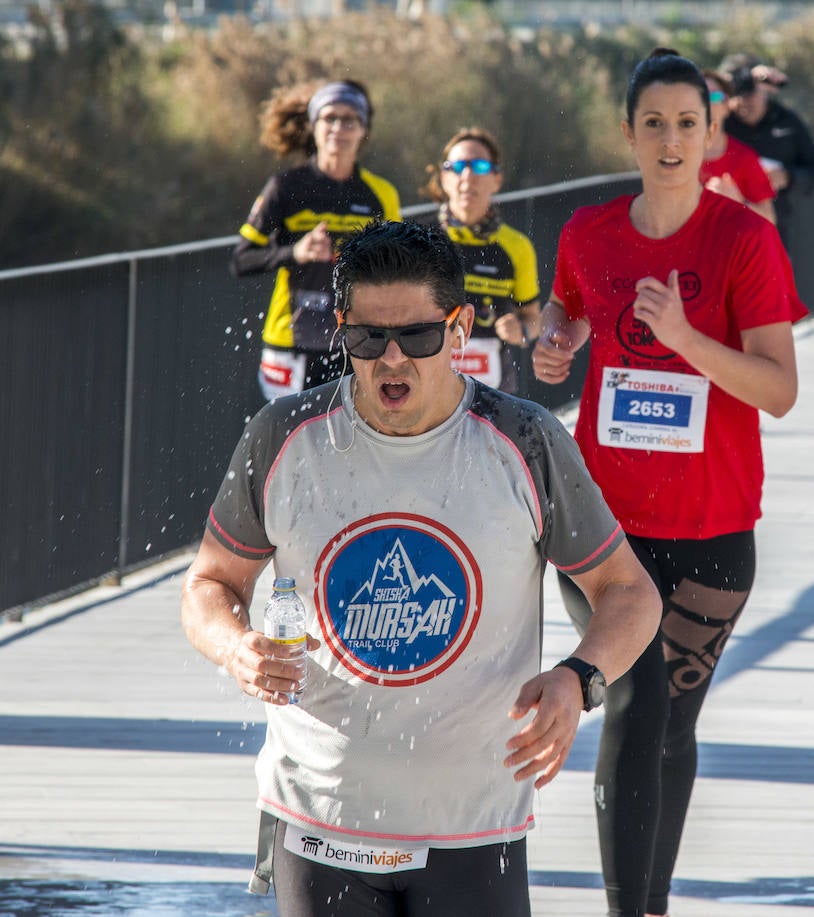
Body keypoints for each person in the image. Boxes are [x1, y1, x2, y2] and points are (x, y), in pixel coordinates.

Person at [182, 220, 661, 917]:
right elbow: (208, 585)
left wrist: (577, 679)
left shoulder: (525, 440)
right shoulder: (284, 436)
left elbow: (628, 592)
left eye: (420, 335)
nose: (392, 359)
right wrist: (236, 646)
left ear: (461, 327)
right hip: (320, 822)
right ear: (341, 329)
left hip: (474, 826)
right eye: (368, 339)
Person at [531, 48, 805, 917]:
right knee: (637, 702)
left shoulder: (746, 240)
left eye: (689, 122)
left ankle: (650, 901)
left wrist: (686, 339)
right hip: (602, 524)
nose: (672, 139)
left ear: (713, 134)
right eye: (654, 122)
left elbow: (780, 389)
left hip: (715, 529)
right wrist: (556, 340)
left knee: (672, 725)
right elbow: (570, 308)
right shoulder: (589, 232)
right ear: (629, 133)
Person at [231, 80, 401, 401]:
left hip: (354, 340)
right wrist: (296, 252)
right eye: (329, 118)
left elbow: (394, 267)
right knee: (287, 443)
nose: (338, 128)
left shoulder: (382, 194)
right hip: (289, 342)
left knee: (348, 443)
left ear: (363, 129)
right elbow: (240, 260)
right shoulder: (284, 187)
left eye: (349, 119)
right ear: (313, 126)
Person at [422, 126, 541, 394]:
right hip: (428, 382)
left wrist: (521, 330)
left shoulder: (517, 246)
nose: (467, 176)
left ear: (496, 179)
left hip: (492, 385)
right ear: (443, 177)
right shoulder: (419, 237)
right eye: (457, 166)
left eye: (479, 166)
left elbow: (534, 318)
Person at [721, 55, 814, 251]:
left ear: (765, 91)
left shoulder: (786, 121)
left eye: (749, 93)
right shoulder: (720, 122)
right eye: (736, 94)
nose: (743, 102)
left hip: (773, 229)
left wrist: (788, 177)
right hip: (723, 231)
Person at [700, 69, 777, 223]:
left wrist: (738, 203)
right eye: (700, 96)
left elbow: (770, 219)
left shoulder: (745, 157)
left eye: (715, 96)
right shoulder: (673, 157)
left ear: (727, 106)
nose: (707, 104)